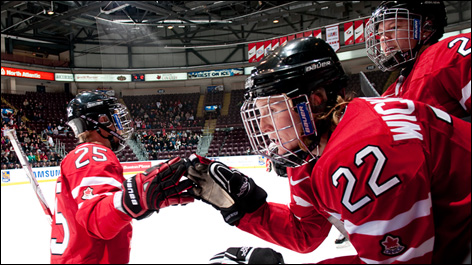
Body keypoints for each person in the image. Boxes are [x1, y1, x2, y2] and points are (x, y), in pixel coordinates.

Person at [184, 37, 471, 263]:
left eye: (272, 109)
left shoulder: (362, 149)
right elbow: (305, 233)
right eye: (259, 114)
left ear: (315, 101)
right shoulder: (313, 150)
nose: (265, 126)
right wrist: (246, 208)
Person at [51, 91, 193, 263]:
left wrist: (146, 200)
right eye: (115, 119)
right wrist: (133, 198)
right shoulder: (92, 153)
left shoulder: (81, 156)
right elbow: (97, 219)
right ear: (100, 121)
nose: (120, 126)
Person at [365, 1, 471, 120]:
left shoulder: (449, 54)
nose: (384, 38)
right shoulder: (390, 93)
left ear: (425, 29)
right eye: (380, 34)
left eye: (394, 27)